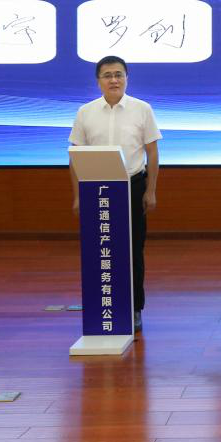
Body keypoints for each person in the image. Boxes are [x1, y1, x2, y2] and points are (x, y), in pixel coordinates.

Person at [69, 56, 161, 333]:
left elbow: (152, 152)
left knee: (133, 250)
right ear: (98, 81)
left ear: (126, 78)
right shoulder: (85, 112)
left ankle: (134, 308)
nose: (114, 80)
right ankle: (102, 305)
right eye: (107, 75)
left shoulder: (142, 109)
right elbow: (74, 155)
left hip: (132, 185)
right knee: (100, 249)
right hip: (95, 189)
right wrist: (77, 195)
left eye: (119, 74)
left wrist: (151, 190)